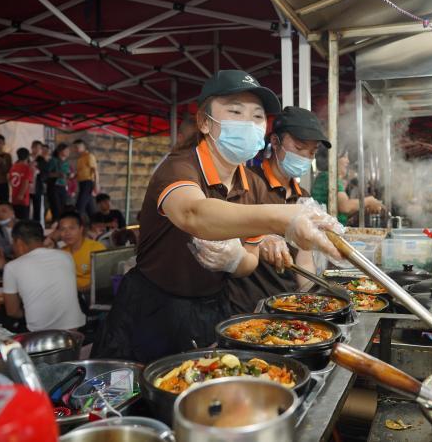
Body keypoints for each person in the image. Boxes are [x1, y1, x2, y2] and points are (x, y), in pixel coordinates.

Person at [91, 70, 343, 363]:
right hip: (153, 307)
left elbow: (250, 259)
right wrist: (285, 217)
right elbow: (193, 212)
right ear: (204, 122)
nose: (248, 124)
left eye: (257, 116)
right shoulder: (179, 168)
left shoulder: (252, 183)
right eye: (235, 111)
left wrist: (235, 260)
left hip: (211, 307)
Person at [227, 106, 330, 314]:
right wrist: (260, 237)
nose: (305, 157)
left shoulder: (304, 197)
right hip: (247, 308)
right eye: (300, 147)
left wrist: (312, 302)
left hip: (288, 306)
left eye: (312, 151)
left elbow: (304, 259)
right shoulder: (246, 182)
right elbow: (223, 237)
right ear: (275, 142)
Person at [2, 220, 85, 332]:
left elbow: (12, 311)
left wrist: (31, 311)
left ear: (19, 242)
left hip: (40, 334)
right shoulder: (66, 256)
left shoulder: (11, 267)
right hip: (75, 329)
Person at [312, 147, 383, 225]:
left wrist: (364, 207)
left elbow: (339, 211)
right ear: (332, 158)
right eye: (345, 156)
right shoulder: (329, 177)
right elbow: (344, 207)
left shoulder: (325, 177)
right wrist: (369, 200)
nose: (348, 161)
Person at [58, 211, 106, 299]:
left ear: (81, 229)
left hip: (91, 297)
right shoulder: (61, 252)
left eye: (71, 228)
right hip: (68, 296)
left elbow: (102, 281)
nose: (67, 233)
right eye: (62, 229)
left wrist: (79, 290)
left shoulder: (96, 249)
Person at [47, 143, 71, 223]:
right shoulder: (53, 160)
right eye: (66, 150)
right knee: (56, 208)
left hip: (63, 186)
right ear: (60, 151)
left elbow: (67, 174)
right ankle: (56, 226)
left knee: (63, 208)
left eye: (68, 150)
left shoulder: (67, 163)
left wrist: (70, 175)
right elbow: (46, 173)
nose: (68, 152)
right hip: (54, 186)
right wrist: (58, 174)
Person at [73, 139, 98, 217]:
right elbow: (80, 172)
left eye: (78, 147)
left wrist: (96, 184)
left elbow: (95, 171)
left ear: (84, 147)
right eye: (75, 147)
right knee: (89, 208)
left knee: (79, 206)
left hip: (88, 182)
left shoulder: (89, 156)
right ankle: (95, 222)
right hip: (82, 183)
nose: (76, 149)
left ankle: (77, 224)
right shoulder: (80, 159)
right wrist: (72, 177)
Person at [9, 148, 33, 220]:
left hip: (14, 195)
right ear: (28, 156)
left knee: (16, 218)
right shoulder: (27, 168)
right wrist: (21, 194)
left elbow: (10, 180)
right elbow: (26, 182)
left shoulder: (13, 167)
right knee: (24, 219)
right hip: (23, 198)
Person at [0, 202, 16, 269]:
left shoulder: (23, 226)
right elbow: (1, 250)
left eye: (4, 211)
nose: (0, 214)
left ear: (12, 213)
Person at [29, 140, 48, 225]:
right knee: (26, 209)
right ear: (32, 148)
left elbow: (45, 174)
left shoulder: (42, 160)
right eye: (35, 147)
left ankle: (37, 226)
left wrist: (38, 169)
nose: (37, 150)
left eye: (39, 148)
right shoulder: (26, 158)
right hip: (26, 188)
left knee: (38, 209)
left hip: (37, 188)